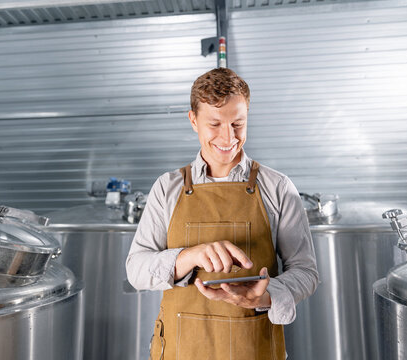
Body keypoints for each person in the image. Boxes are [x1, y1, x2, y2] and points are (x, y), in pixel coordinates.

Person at [126, 68, 318, 360]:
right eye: (214, 124)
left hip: (253, 347)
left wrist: (265, 295)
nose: (228, 137)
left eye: (238, 124)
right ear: (193, 120)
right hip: (181, 349)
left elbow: (306, 272)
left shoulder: (277, 187)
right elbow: (135, 269)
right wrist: (189, 256)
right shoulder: (168, 187)